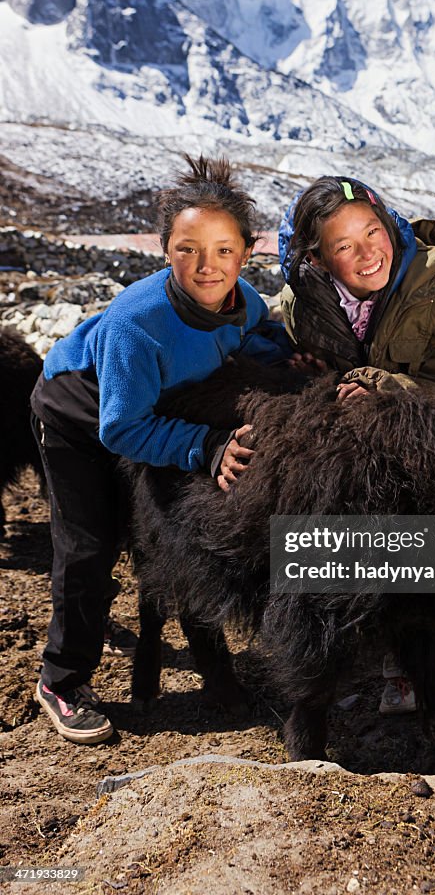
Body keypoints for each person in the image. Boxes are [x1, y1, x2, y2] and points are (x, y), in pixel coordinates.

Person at [31, 155, 290, 744]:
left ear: (245, 253)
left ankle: (207, 663)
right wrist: (205, 445)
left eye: (224, 250)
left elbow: (260, 333)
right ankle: (62, 681)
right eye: (189, 249)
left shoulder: (243, 299)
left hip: (156, 413)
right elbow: (121, 429)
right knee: (89, 545)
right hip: (82, 414)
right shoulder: (137, 321)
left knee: (173, 534)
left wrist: (287, 360)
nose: (207, 266)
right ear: (165, 249)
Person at [278, 176, 435, 715]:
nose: (368, 254)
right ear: (318, 259)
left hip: (416, 434)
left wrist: (381, 388)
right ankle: (333, 651)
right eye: (345, 246)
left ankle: (407, 666)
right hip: (342, 444)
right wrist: (309, 379)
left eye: (374, 232)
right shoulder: (299, 304)